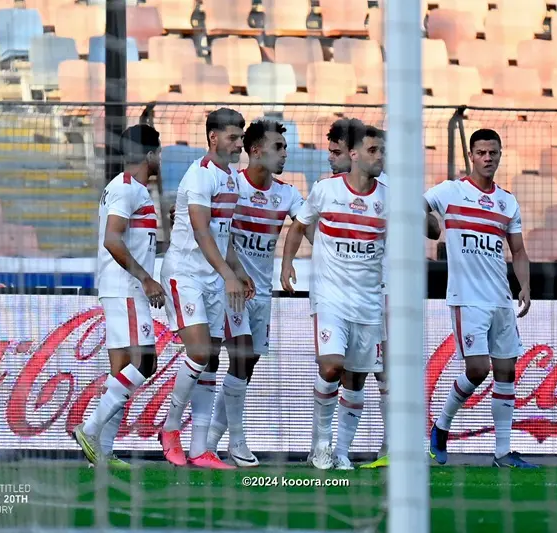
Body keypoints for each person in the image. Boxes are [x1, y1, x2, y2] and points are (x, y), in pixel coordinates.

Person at [426, 128, 536, 468]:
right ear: (471, 156)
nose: (488, 158)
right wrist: (429, 224)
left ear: (500, 155)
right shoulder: (451, 191)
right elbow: (419, 208)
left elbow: (517, 249)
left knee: (506, 371)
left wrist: (525, 287)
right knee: (477, 369)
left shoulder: (507, 201)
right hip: (467, 297)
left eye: (493, 152)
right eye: (481, 152)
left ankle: (502, 452)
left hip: (501, 298)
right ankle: (441, 426)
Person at [280, 123, 388, 470]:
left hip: (368, 302)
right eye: (373, 150)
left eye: (382, 151)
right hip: (330, 296)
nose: (379, 157)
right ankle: (321, 445)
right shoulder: (326, 190)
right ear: (354, 154)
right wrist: (287, 265)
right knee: (331, 366)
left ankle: (341, 451)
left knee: (356, 379)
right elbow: (299, 224)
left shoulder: (388, 198)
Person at [205, 119, 311, 467]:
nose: (285, 153)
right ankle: (238, 442)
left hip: (261, 293)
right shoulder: (230, 184)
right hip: (230, 287)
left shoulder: (287, 193)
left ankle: (209, 439)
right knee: (239, 356)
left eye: (285, 147)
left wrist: (292, 260)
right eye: (278, 147)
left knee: (246, 366)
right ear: (254, 151)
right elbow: (198, 217)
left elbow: (308, 227)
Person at [159, 108, 254, 469]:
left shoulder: (229, 178)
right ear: (214, 138)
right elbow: (200, 232)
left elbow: (221, 234)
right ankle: (170, 428)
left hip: (214, 277)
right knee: (199, 352)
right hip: (186, 274)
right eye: (233, 137)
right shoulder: (199, 177)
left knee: (208, 363)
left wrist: (238, 270)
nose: (239, 144)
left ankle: (199, 449)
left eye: (241, 137)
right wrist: (226, 273)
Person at [73, 124, 164, 467]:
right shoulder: (128, 189)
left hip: (117, 288)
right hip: (126, 288)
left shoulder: (129, 189)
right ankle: (90, 427)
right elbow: (113, 239)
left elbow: (133, 239)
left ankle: (104, 452)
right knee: (145, 362)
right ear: (152, 154)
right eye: (159, 152)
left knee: (122, 371)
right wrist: (146, 280)